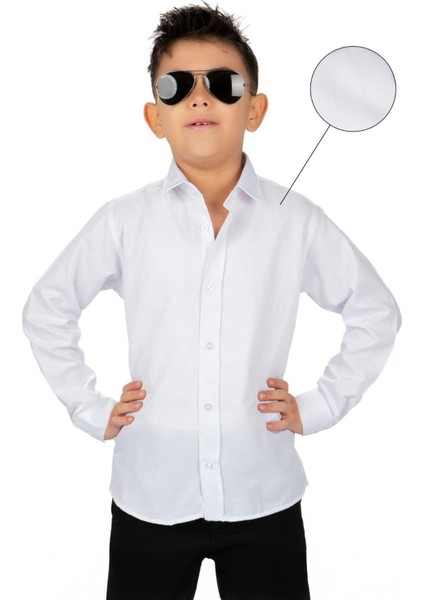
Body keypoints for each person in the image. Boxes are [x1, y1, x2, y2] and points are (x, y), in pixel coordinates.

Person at [22, 3, 401, 599]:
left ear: (255, 109)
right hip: (151, 493)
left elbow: (376, 311)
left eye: (223, 83)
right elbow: (47, 308)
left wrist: (322, 404)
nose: (200, 98)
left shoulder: (296, 220)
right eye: (177, 87)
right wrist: (89, 408)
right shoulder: (124, 221)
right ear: (155, 117)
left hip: (263, 493)